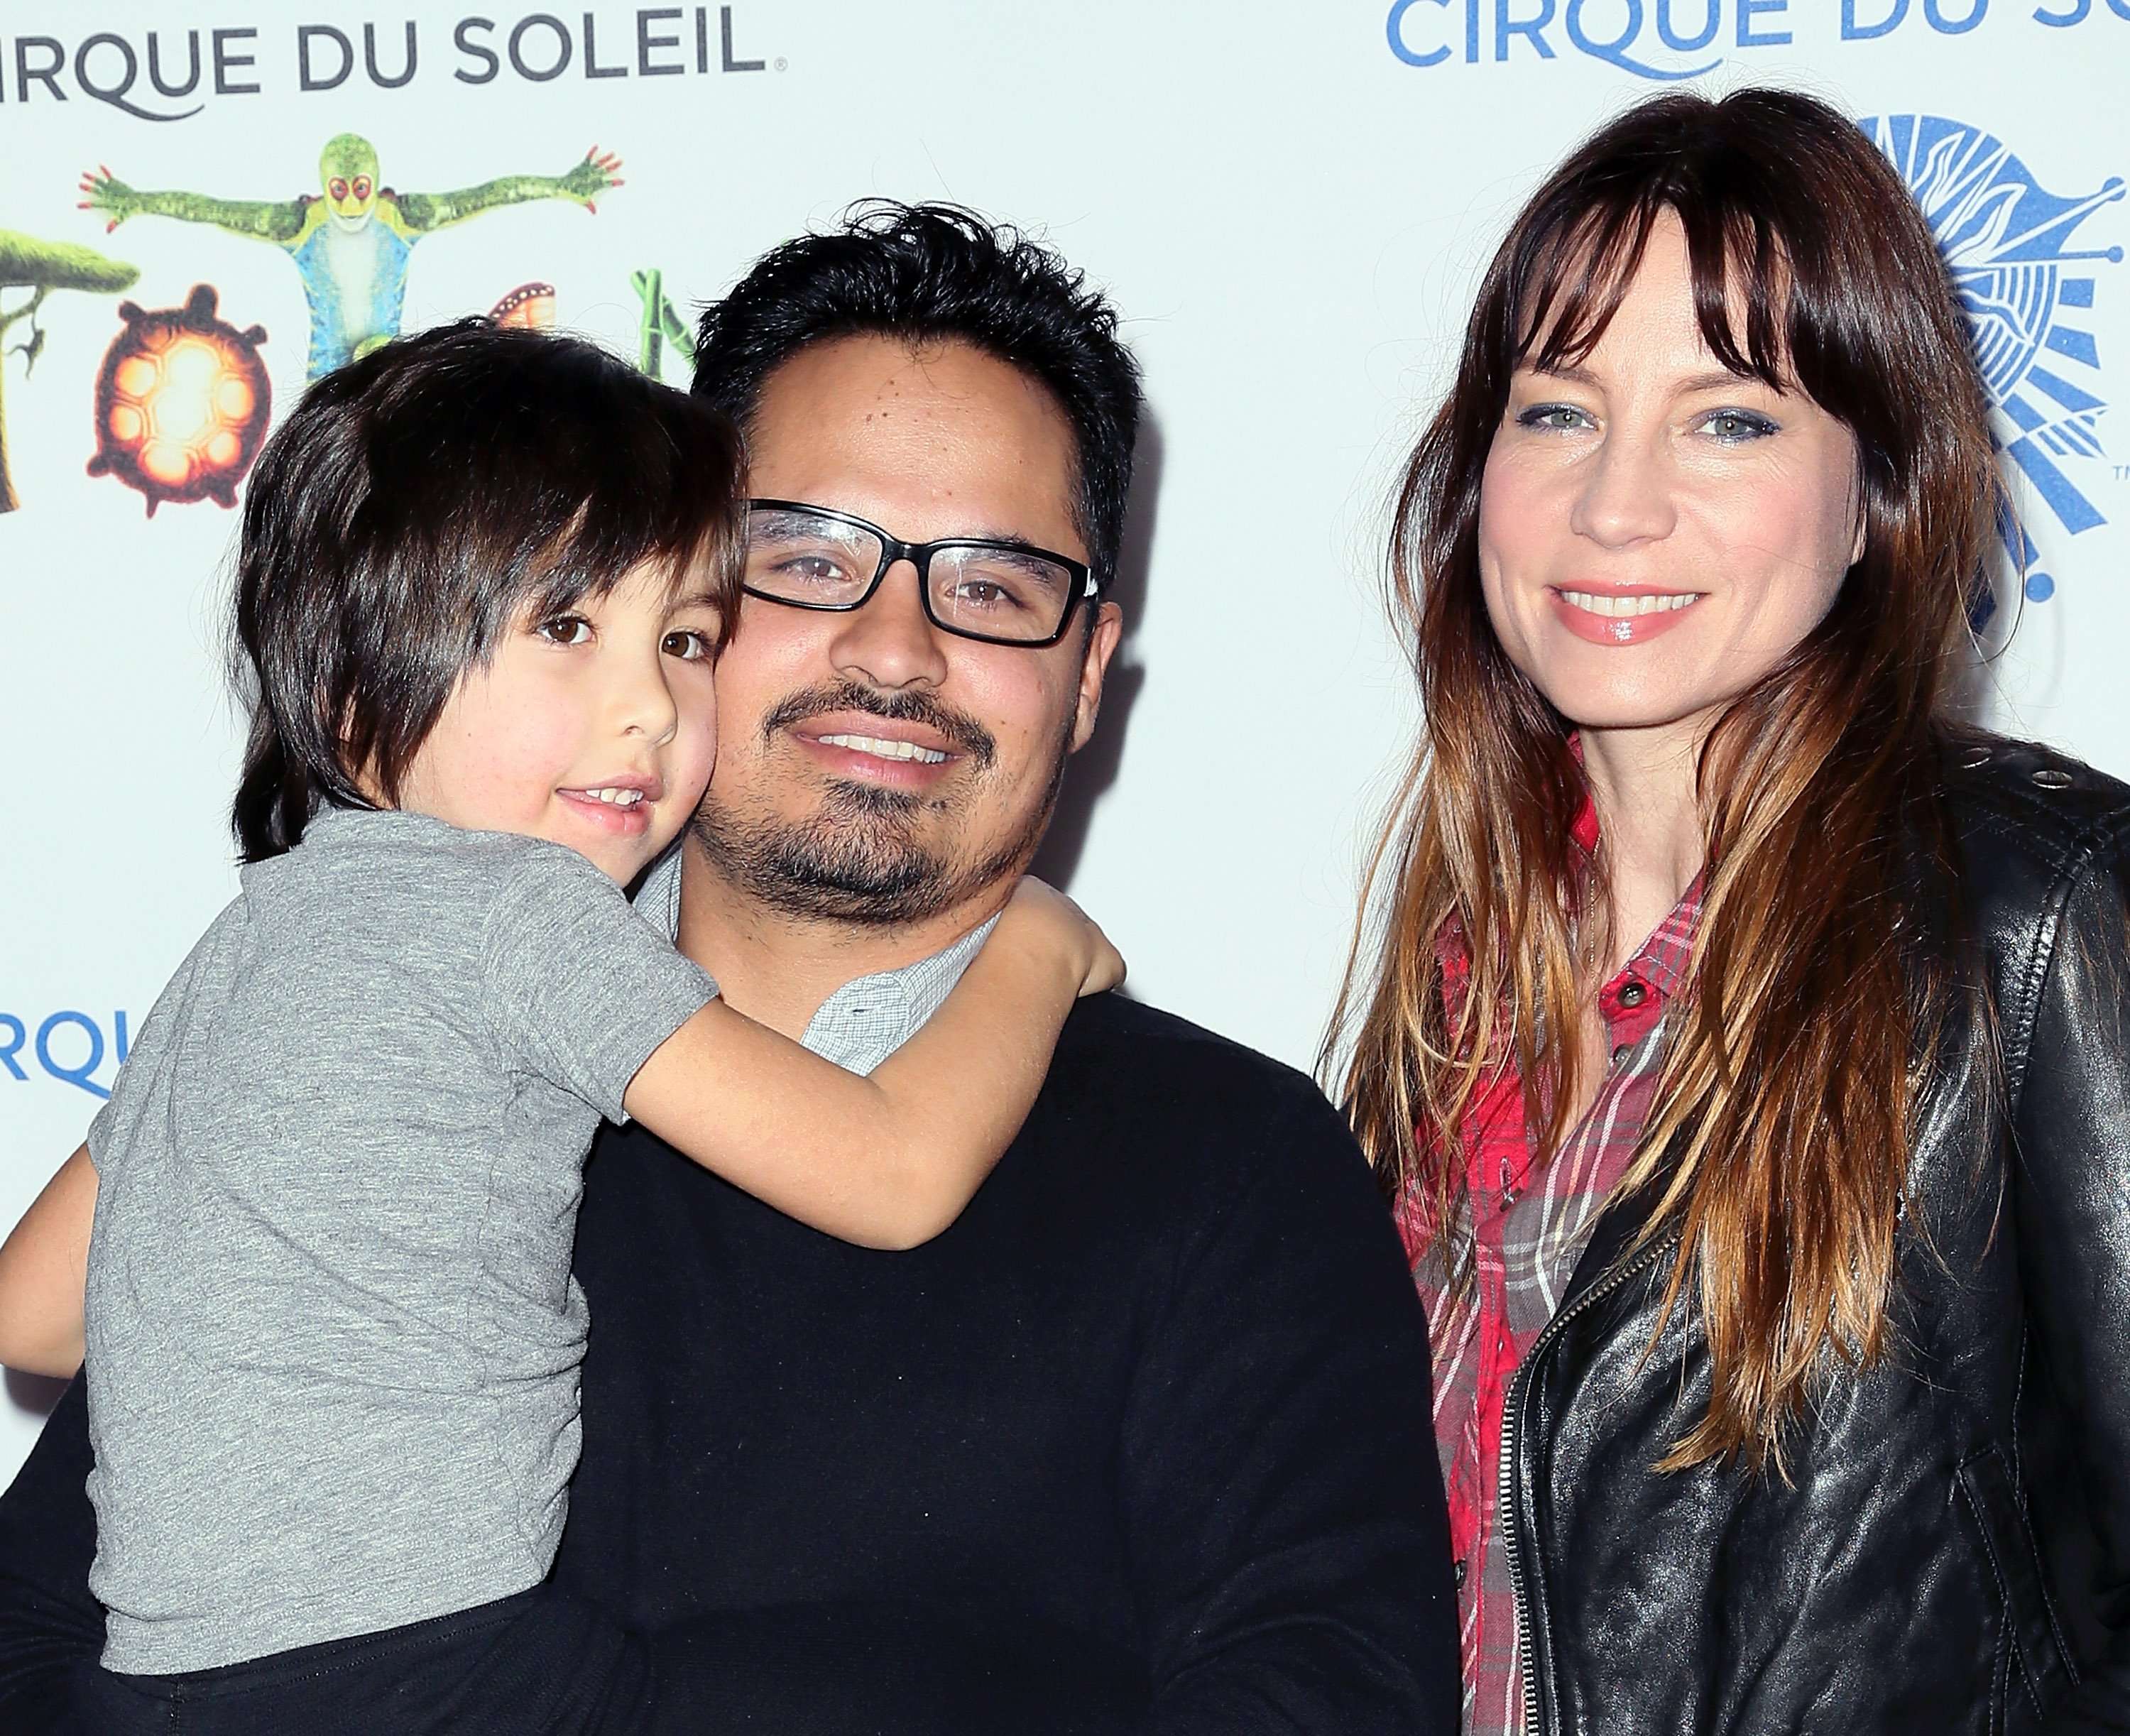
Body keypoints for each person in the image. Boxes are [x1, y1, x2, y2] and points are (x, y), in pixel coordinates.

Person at [0, 205, 1460, 1734]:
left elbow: (1323, 1689)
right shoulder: (362, 1067)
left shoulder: (1230, 1165)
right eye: (803, 560)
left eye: (995, 584)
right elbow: (41, 1620)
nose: (896, 647)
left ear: (1088, 672)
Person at [1327, 86, 2130, 1735]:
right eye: (1558, 410)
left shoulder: (2037, 915)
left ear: (1875, 495)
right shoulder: (1454, 963)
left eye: (1730, 419)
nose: (1616, 504)